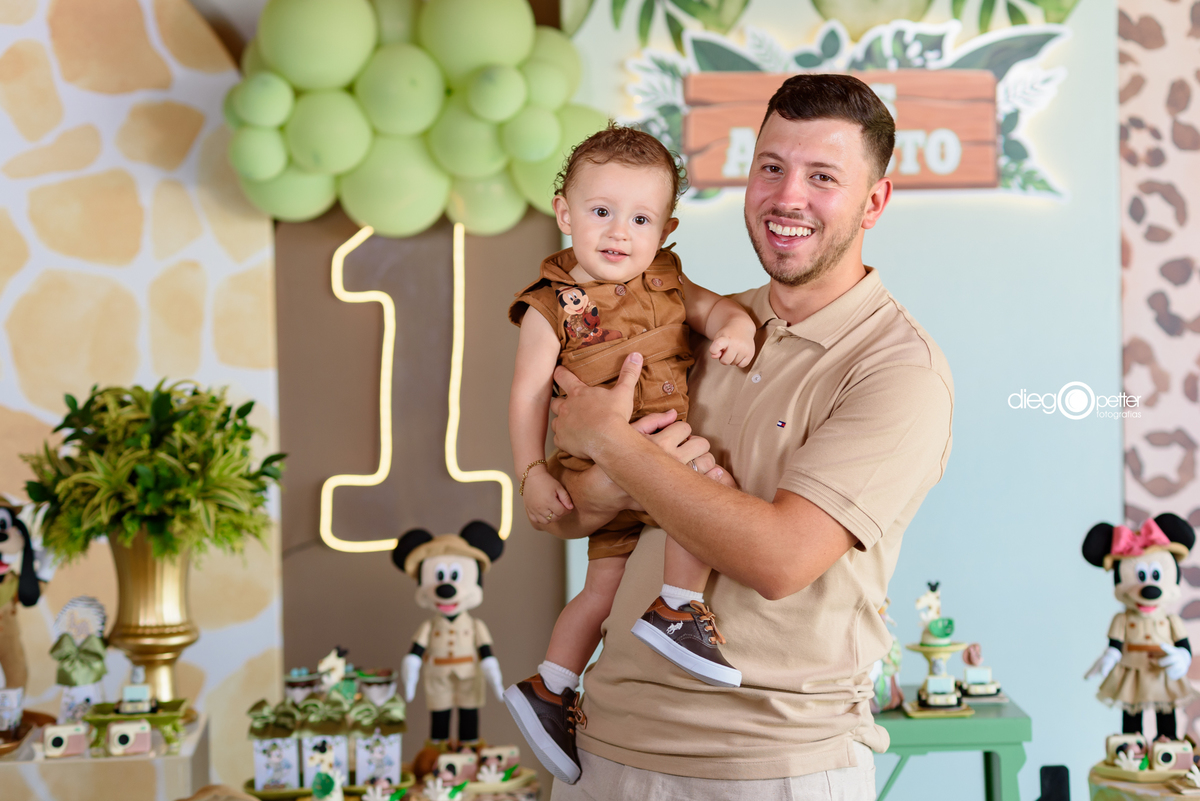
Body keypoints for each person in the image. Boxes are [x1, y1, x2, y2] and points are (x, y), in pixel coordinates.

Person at [539, 74, 955, 800]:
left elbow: (780, 558)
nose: (787, 196)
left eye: (822, 176)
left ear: (874, 202)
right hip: (604, 748)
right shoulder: (703, 325)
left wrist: (616, 445)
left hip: (772, 765)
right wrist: (600, 459)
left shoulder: (898, 368)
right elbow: (567, 515)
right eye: (771, 167)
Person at [503, 125, 759, 784]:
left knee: (604, 586)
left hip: (645, 456)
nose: (620, 231)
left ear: (666, 226)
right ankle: (677, 604)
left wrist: (732, 324)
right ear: (564, 212)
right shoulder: (550, 306)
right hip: (604, 460)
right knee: (710, 484)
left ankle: (552, 685)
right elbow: (528, 394)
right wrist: (531, 471)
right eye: (601, 211)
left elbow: (711, 308)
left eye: (640, 217)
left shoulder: (665, 277)